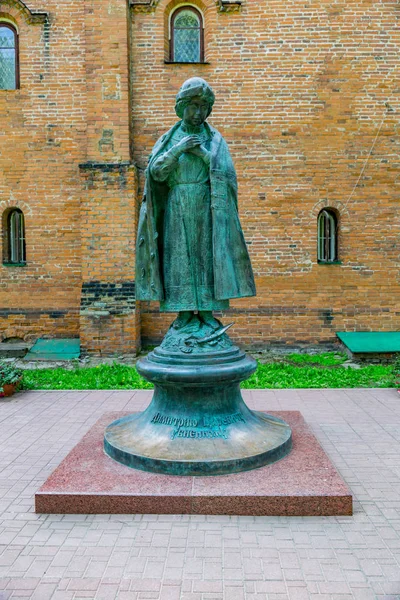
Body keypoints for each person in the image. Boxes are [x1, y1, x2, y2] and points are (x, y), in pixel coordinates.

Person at [136, 77, 255, 333]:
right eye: (193, 106)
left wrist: (202, 153)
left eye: (203, 107)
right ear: (181, 107)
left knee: (206, 258)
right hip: (177, 206)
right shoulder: (170, 138)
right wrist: (178, 150)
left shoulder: (214, 139)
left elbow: (227, 175)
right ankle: (183, 314)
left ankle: (206, 311)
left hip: (206, 207)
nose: (198, 113)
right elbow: (155, 174)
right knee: (178, 258)